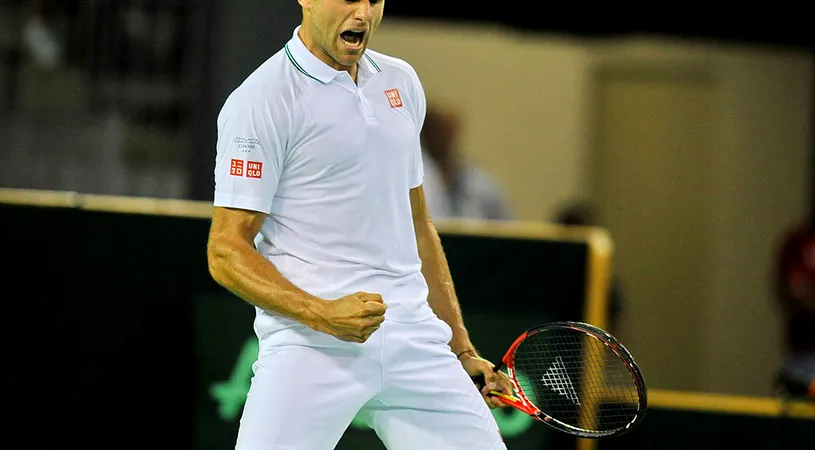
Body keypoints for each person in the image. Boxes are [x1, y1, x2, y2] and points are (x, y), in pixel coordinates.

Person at [206, 1, 513, 449]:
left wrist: (461, 349)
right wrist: (322, 313)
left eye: (373, 0)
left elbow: (417, 222)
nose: (363, 13)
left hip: (413, 336)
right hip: (311, 346)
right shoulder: (261, 100)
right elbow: (225, 251)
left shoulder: (401, 83)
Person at [420, 103, 513, 221]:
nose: (442, 138)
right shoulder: (415, 178)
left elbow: (508, 229)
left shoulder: (482, 185)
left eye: (447, 130)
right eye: (435, 130)